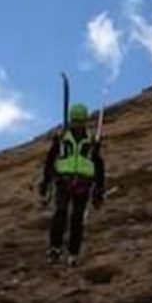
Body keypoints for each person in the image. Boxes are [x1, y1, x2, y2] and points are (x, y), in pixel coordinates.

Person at [38, 103, 106, 264]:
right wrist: (46, 182)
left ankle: (73, 253)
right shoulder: (62, 138)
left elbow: (98, 164)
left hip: (84, 183)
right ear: (70, 120)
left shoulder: (91, 141)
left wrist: (99, 188)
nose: (77, 124)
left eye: (80, 120)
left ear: (85, 121)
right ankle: (55, 249)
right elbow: (50, 159)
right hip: (63, 180)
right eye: (75, 120)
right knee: (60, 213)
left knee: (77, 219)